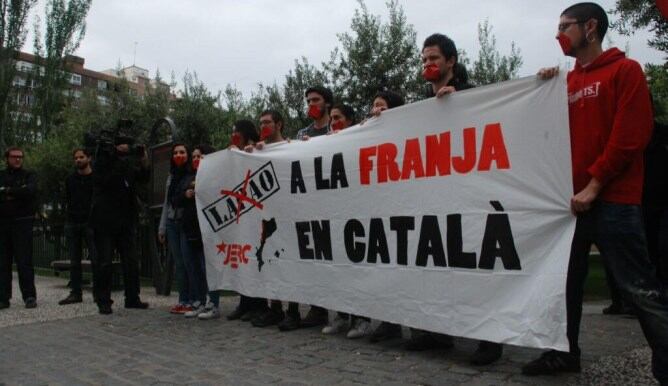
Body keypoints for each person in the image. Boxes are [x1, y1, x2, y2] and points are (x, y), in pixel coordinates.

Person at [527, 4, 668, 383]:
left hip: (613, 202)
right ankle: (563, 354)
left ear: (590, 27)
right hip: (569, 207)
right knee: (562, 287)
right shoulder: (565, 82)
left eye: (565, 26)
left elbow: (630, 138)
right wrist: (541, 89)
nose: (559, 34)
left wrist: (594, 185)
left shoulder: (626, 71)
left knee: (637, 288)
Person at [402, 33, 504, 366]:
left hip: (471, 197)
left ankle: (490, 339)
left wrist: (460, 101)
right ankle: (438, 331)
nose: (427, 65)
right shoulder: (424, 106)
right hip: (437, 200)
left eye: (433, 58)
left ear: (450, 61)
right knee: (437, 268)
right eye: (423, 60)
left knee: (478, 267)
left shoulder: (472, 95)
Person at [317, 103, 373, 339]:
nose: (333, 122)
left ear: (350, 119)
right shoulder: (328, 143)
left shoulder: (361, 138)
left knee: (358, 267)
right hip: (335, 215)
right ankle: (341, 315)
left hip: (358, 213)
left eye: (338, 118)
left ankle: (361, 318)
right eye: (331, 119)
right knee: (338, 267)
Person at [245, 110, 304, 330]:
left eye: (267, 122)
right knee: (270, 259)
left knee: (291, 260)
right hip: (268, 215)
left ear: (279, 124)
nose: (263, 126)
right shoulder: (259, 150)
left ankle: (294, 311)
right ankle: (275, 308)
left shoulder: (291, 147)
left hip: (289, 214)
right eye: (261, 123)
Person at [89, 130, 150, 314]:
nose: (126, 147)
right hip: (104, 220)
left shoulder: (128, 163)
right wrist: (117, 159)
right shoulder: (103, 161)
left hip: (126, 218)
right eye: (122, 144)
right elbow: (104, 180)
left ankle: (132, 298)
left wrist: (143, 160)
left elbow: (143, 178)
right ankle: (103, 301)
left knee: (131, 262)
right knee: (104, 262)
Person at [225, 120, 267, 322]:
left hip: (257, 214)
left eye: (236, 132)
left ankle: (259, 305)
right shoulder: (234, 153)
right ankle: (245, 302)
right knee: (244, 261)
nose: (234, 136)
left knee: (257, 260)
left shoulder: (259, 150)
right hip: (241, 215)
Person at [179, 144, 220, 319]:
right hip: (190, 230)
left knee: (207, 268)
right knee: (193, 267)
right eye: (194, 156)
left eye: (200, 156)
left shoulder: (215, 177)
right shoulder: (187, 177)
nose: (196, 159)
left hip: (207, 231)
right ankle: (199, 301)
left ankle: (214, 303)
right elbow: (175, 199)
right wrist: (185, 194)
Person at [158, 143, 193, 315]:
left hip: (186, 221)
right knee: (179, 264)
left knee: (189, 262)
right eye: (176, 153)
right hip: (172, 222)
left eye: (182, 152)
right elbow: (166, 202)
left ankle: (194, 298)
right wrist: (162, 227)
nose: (179, 155)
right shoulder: (171, 177)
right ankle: (183, 299)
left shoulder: (191, 174)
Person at [0, 147, 37, 309]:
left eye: (20, 157)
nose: (17, 159)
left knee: (24, 261)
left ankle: (29, 296)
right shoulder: (1, 175)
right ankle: (3, 297)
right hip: (3, 223)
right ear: (7, 158)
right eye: (14, 157)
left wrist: (7, 191)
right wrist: (18, 192)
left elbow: (29, 191)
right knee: (3, 262)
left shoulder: (29, 175)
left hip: (23, 222)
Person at [59, 148, 96, 305]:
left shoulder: (95, 178)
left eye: (81, 157)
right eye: (76, 158)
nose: (78, 160)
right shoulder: (70, 179)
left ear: (89, 158)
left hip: (91, 222)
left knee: (96, 257)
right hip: (73, 221)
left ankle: (100, 291)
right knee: (75, 260)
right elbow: (68, 198)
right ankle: (75, 292)